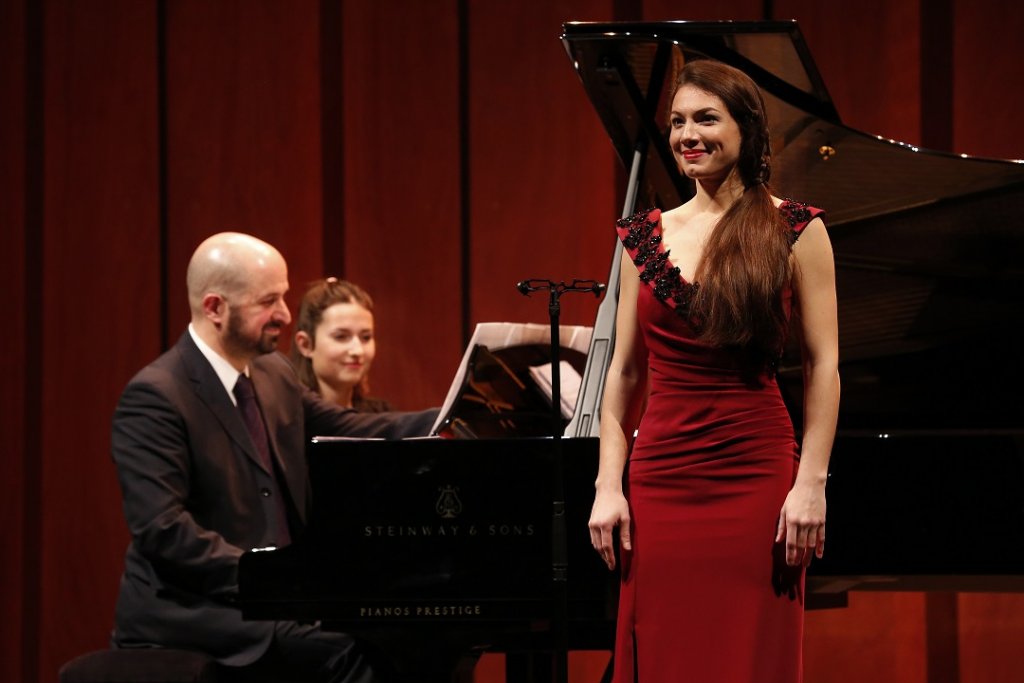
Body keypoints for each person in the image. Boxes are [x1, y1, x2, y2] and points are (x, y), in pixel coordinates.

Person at [587, 59, 840, 682]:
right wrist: (607, 485)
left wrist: (812, 482)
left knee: (747, 653)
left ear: (747, 129)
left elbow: (824, 363)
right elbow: (622, 375)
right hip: (663, 476)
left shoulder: (795, 229)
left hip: (756, 473)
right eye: (677, 122)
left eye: (706, 118)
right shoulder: (640, 238)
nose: (687, 135)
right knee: (669, 650)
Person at [110, 232, 436, 682]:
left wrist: (451, 417)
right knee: (353, 656)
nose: (284, 314)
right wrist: (272, 577)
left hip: (276, 598)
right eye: (269, 301)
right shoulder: (157, 396)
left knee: (418, 641)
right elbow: (163, 530)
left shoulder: (271, 372)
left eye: (283, 297)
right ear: (214, 308)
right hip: (198, 607)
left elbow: (345, 427)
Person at [291, 278, 391, 412]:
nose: (358, 350)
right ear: (306, 345)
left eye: (365, 337)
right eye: (341, 337)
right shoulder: (286, 420)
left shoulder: (382, 416)